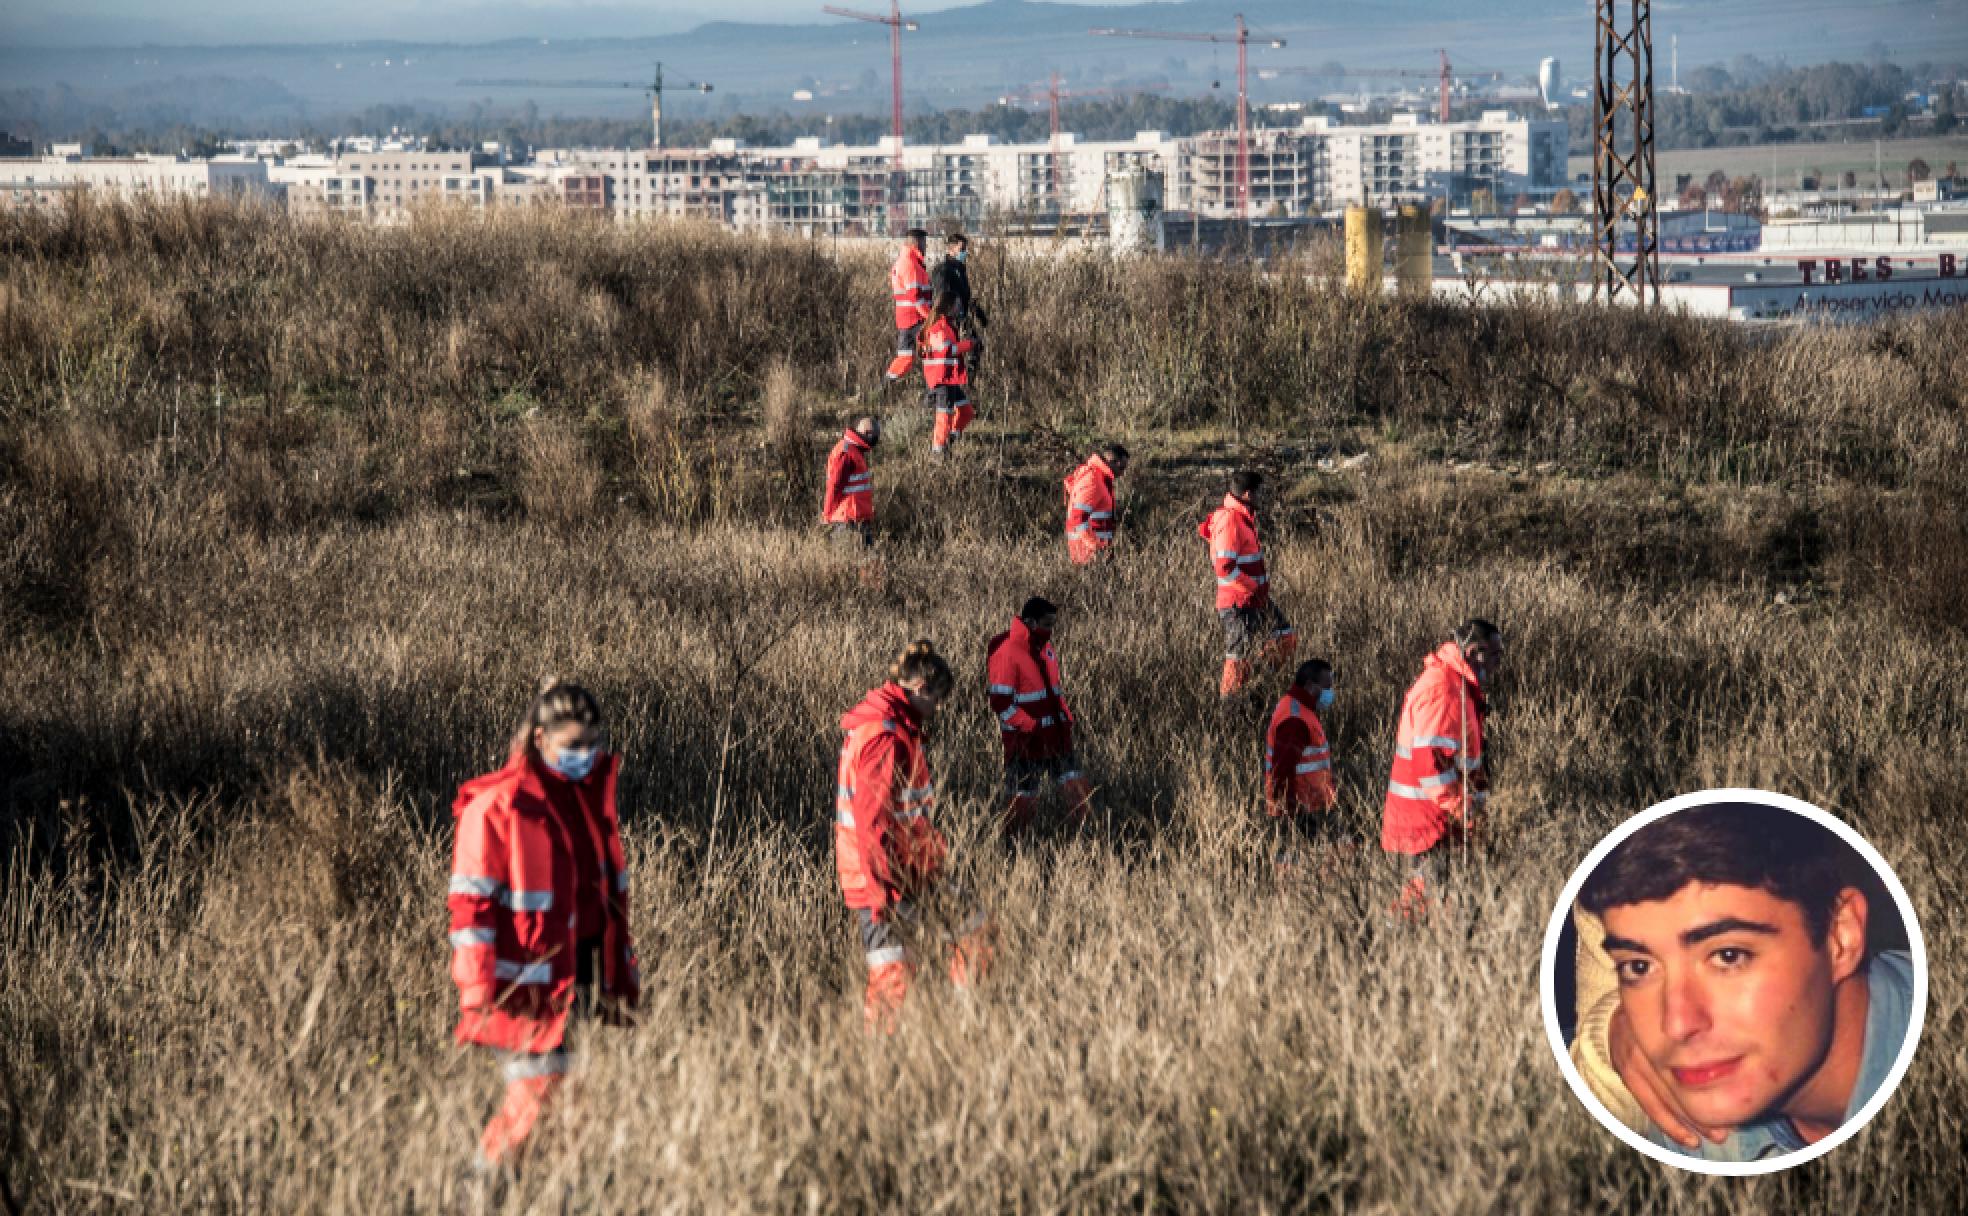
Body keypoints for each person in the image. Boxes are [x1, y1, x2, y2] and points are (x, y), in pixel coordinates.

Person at [1574, 803, 1916, 1162]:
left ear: (1840, 937)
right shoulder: (1688, 1110)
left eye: (1729, 956)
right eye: (1639, 967)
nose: (1677, 1025)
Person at [448, 681, 640, 1172]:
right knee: (534, 1106)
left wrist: (621, 981)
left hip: (578, 986)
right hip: (521, 991)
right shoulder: (496, 808)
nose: (584, 755)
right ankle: (476, 1191)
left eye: (591, 744)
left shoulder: (589, 804)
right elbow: (471, 910)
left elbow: (608, 903)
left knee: (569, 1114)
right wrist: (477, 990)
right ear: (539, 740)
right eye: (572, 746)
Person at [835, 641, 995, 1031]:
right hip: (886, 879)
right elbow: (873, 824)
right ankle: (884, 1058)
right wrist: (881, 894)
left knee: (974, 933)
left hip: (910, 871)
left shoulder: (895, 726)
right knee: (894, 976)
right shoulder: (884, 738)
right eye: (937, 699)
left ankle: (968, 1024)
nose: (939, 709)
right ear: (921, 687)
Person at [1380, 619, 1500, 920]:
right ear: (1475, 651)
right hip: (1431, 822)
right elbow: (1430, 765)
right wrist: (1464, 808)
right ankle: (1394, 945)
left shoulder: (1454, 684)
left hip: (1436, 819)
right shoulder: (1444, 690)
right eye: (1496, 655)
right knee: (1431, 899)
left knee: (1432, 899)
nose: (1499, 665)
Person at [986, 597, 1092, 837]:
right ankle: (1014, 851)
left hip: (1056, 737)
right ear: (1031, 622)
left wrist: (1066, 719)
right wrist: (1031, 726)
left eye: (1053, 624)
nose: (1050, 630)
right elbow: (1001, 703)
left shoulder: (1044, 647)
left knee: (1078, 792)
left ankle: (1086, 841)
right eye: (1047, 624)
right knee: (1022, 801)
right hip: (1025, 743)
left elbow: (1054, 691)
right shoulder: (1007, 652)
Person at [1199, 469, 1297, 698]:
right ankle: (1230, 707)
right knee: (1238, 657)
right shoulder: (1231, 519)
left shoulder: (1242, 516)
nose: (1263, 496)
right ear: (1248, 494)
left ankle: (1258, 688)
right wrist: (1252, 588)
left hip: (1254, 599)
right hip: (1238, 602)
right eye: (1260, 492)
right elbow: (1224, 567)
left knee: (1284, 638)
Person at [1264, 659, 1337, 866]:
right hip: (1298, 810)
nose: (1330, 693)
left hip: (1306, 806)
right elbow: (1283, 769)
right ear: (1310, 686)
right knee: (1295, 865)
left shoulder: (1299, 708)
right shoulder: (1295, 719)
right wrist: (1288, 810)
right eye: (1326, 688)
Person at [919, 290, 976, 457]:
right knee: (944, 415)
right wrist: (969, 344)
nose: (959, 307)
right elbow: (947, 350)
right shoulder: (938, 327)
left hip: (950, 378)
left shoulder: (948, 326)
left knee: (966, 412)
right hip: (941, 379)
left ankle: (949, 440)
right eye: (956, 304)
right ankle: (938, 453)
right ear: (948, 306)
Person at [929, 232, 988, 377]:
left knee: (976, 345)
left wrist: (978, 312)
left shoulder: (960, 270)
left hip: (962, 316)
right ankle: (954, 381)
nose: (965, 252)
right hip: (950, 320)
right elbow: (942, 296)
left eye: (965, 249)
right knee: (954, 351)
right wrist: (950, 316)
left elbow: (964, 296)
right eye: (962, 249)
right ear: (951, 249)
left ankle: (968, 380)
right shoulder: (943, 270)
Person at [822, 415, 881, 549]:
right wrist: (827, 515)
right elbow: (834, 486)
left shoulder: (855, 451)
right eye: (875, 436)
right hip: (847, 521)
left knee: (868, 562)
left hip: (857, 519)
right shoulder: (847, 453)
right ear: (867, 433)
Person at [1064, 444, 1129, 564]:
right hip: (1089, 555)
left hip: (1093, 553)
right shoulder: (1093, 481)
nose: (1122, 474)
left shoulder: (1099, 478)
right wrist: (1096, 547)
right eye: (1122, 468)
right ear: (1113, 461)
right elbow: (1077, 518)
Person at [886, 228, 931, 381]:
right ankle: (934, 395)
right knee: (934, 355)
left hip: (906, 319)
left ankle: (884, 389)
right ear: (917, 243)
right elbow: (916, 297)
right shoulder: (910, 265)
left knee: (905, 358)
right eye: (924, 243)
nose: (926, 247)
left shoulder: (903, 261)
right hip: (915, 319)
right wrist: (932, 317)